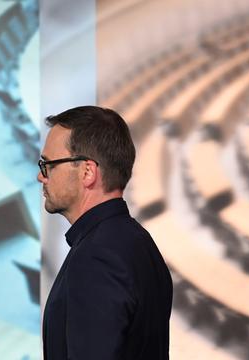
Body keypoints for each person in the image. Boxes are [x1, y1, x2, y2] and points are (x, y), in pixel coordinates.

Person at [38, 106, 172, 359]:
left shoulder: (97, 256)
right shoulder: (137, 241)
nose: (41, 176)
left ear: (87, 172)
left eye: (49, 165)